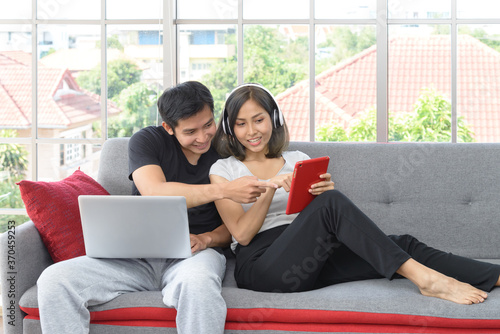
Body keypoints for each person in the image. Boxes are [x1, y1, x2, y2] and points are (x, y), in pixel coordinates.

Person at [209, 83, 500, 305]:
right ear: (230, 128)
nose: (251, 131)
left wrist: (321, 197)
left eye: (258, 120)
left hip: (310, 258)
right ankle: (428, 281)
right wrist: (270, 187)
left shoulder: (298, 158)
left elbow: (312, 216)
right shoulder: (223, 170)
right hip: (264, 266)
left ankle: (494, 276)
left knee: (402, 245)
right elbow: (243, 235)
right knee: (332, 204)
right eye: (241, 123)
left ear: (274, 119)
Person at [37, 81, 277, 334]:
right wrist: (224, 190)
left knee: (198, 285)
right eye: (190, 131)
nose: (203, 137)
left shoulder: (226, 152)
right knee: (54, 280)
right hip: (131, 259)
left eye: (208, 125)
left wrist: (206, 239)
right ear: (168, 128)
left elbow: (237, 228)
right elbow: (154, 190)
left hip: (194, 257)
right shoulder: (147, 141)